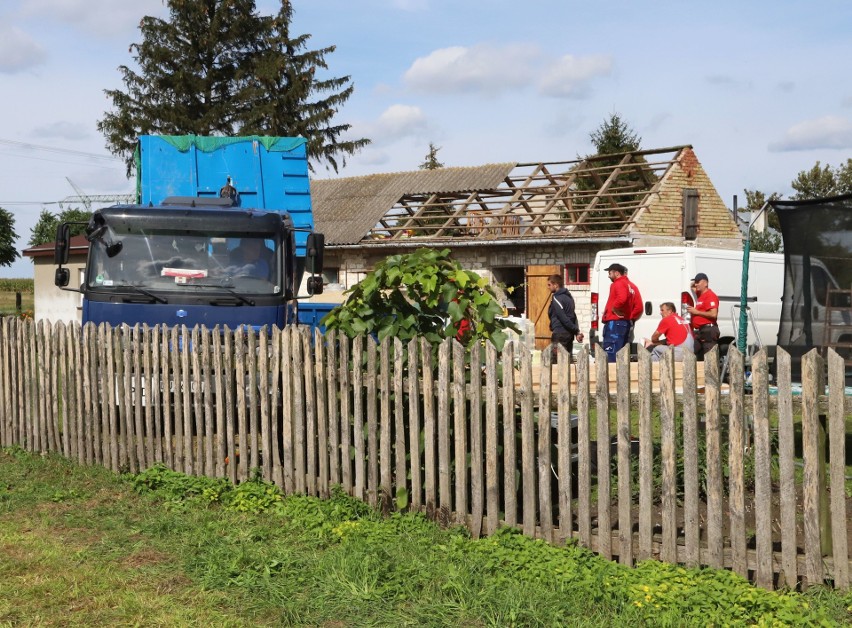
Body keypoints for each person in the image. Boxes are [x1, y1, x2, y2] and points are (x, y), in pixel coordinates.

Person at [601, 263, 642, 362]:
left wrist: (614, 309)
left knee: (611, 353)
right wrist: (630, 318)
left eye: (610, 273)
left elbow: (622, 298)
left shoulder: (618, 283)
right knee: (622, 354)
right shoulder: (632, 286)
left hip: (614, 323)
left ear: (616, 273)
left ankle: (611, 376)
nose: (608, 276)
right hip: (624, 323)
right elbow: (639, 307)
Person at [547, 274, 583, 362]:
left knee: (557, 361)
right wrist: (576, 331)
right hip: (569, 335)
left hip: (560, 333)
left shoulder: (557, 298)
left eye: (549, 285)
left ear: (556, 285)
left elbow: (563, 318)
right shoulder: (569, 297)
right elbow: (573, 316)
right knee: (567, 360)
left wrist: (575, 330)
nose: (548, 287)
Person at [686, 272, 720, 360]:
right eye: (696, 282)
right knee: (692, 353)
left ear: (706, 283)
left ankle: (711, 373)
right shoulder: (700, 295)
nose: (696, 284)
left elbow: (713, 314)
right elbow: (692, 286)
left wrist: (696, 312)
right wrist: (696, 283)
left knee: (709, 357)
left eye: (698, 282)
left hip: (708, 329)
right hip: (699, 331)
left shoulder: (710, 296)